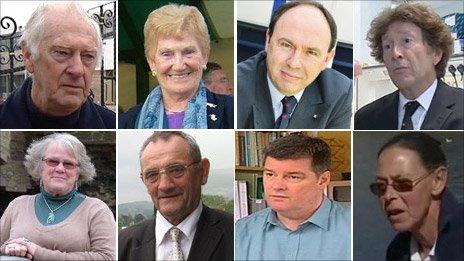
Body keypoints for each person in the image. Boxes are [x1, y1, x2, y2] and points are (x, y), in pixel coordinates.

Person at [118, 131, 233, 260]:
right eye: (152, 175)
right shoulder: (122, 244)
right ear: (144, 180)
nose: (165, 185)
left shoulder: (235, 233)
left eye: (176, 170)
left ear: (203, 172)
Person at [237, 1, 352, 129]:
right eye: (286, 45)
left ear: (327, 58)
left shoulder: (340, 92)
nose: (294, 63)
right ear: (268, 40)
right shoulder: (238, 85)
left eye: (311, 52)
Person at [0, 2, 116, 129]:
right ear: (28, 56)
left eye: (88, 56)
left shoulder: (112, 123)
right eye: (62, 53)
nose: (77, 70)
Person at [0, 133, 116, 260]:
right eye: (52, 162)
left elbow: (107, 257)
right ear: (40, 167)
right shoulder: (17, 205)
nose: (60, 168)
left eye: (68, 164)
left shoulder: (96, 210)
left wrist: (37, 252)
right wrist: (9, 248)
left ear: (78, 173)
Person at [235, 134, 350, 260]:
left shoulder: (355, 229)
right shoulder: (241, 231)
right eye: (270, 174)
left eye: (293, 177)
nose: (277, 186)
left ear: (323, 180)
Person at [119, 4, 233, 129]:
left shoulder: (233, 111)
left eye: (188, 52)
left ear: (205, 56)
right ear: (152, 62)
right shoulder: (126, 122)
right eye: (166, 54)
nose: (178, 65)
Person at [355, 3, 464, 130]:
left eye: (407, 41)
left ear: (436, 53)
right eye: (387, 46)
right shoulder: (366, 118)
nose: (395, 53)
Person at [370, 132, 463, 260]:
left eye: (402, 184)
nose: (388, 196)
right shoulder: (397, 251)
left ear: (438, 180)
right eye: (381, 187)